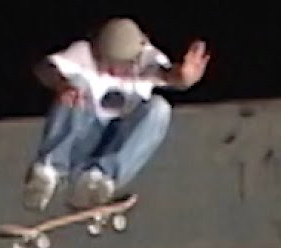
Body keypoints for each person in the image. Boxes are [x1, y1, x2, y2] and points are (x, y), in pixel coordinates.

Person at [22, 18, 210, 211]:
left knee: (159, 108)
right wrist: (62, 85)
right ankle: (48, 170)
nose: (114, 71)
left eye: (122, 66)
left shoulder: (146, 59)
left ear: (136, 59)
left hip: (115, 142)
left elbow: (169, 75)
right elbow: (44, 68)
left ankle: (98, 179)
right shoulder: (83, 53)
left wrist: (184, 79)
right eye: (107, 63)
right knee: (76, 88)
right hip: (81, 140)